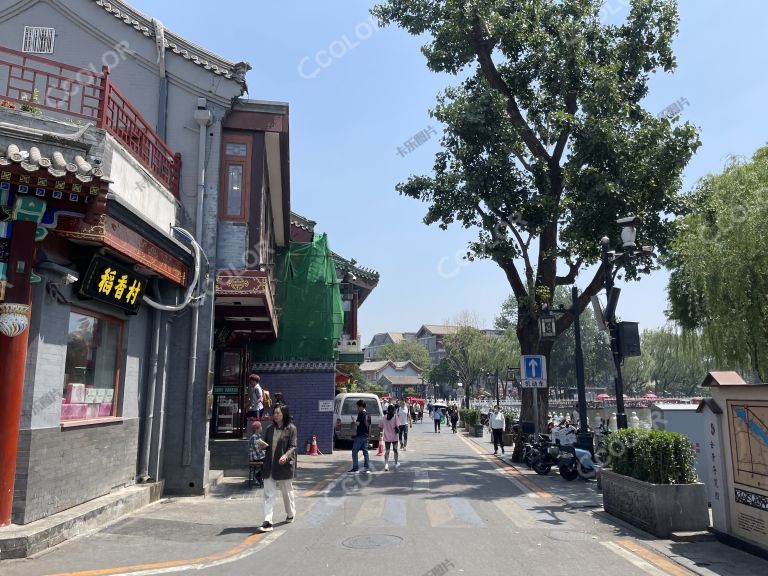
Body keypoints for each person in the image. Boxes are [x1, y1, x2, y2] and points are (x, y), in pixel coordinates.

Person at [257, 404, 297, 533]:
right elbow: (266, 444)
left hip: (284, 466)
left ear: (284, 414)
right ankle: (268, 521)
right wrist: (262, 446)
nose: (275, 415)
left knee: (287, 493)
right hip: (269, 465)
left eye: (277, 413)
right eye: (274, 413)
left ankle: (290, 513)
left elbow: (293, 446)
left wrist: (286, 455)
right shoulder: (269, 429)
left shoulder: (291, 429)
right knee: (269, 495)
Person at [348, 399, 371, 474]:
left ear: (361, 406)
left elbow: (357, 424)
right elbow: (369, 425)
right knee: (365, 452)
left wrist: (354, 421)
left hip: (360, 435)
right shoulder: (368, 414)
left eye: (357, 407)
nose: (357, 408)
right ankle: (366, 468)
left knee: (354, 451)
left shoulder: (361, 413)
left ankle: (355, 468)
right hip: (366, 435)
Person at [247, 420, 266, 487]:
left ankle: (259, 476)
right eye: (260, 426)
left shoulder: (257, 436)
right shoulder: (254, 437)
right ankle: (258, 476)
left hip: (257, 456)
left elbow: (259, 449)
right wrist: (266, 453)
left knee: (270, 460)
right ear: (257, 428)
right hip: (255, 458)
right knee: (269, 461)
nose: (262, 428)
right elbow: (258, 451)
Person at [382, 404, 401, 471]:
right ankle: (395, 463)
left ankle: (386, 465)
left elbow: (380, 427)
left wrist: (380, 434)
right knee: (395, 450)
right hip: (394, 437)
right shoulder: (395, 417)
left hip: (387, 437)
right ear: (394, 410)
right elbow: (398, 426)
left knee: (387, 451)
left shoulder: (384, 417)